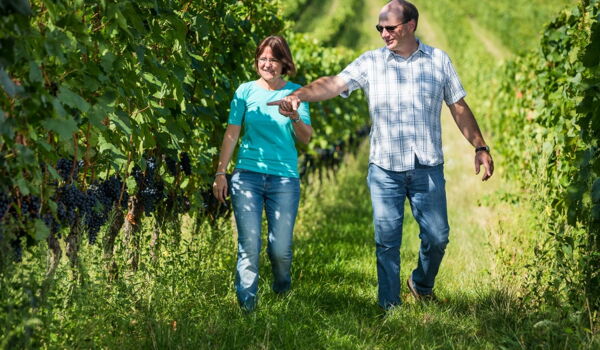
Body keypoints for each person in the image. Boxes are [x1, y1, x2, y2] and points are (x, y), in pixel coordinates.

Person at [270, 0, 494, 310]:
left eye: (390, 27)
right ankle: (390, 307)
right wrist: (297, 95)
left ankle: (421, 283)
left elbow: (458, 106)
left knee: (438, 235)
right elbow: (333, 84)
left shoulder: (438, 61)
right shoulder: (371, 62)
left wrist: (480, 146)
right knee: (387, 241)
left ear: (411, 26)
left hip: (426, 165)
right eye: (380, 28)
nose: (384, 33)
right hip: (385, 168)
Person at [213, 35, 312, 312]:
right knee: (249, 244)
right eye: (263, 59)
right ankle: (247, 308)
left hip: (284, 178)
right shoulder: (244, 91)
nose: (267, 64)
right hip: (247, 176)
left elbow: (306, 137)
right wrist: (221, 172)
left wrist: (293, 115)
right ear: (257, 61)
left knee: (280, 250)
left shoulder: (296, 93)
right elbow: (232, 134)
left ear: (284, 64)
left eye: (273, 59)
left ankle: (282, 289)